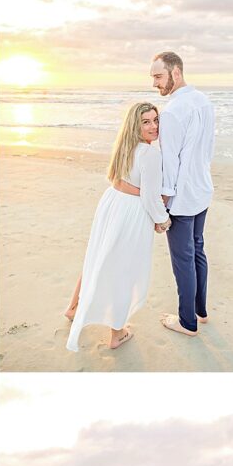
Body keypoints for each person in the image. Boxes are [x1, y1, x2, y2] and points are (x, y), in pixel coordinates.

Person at [65, 102, 170, 352]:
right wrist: (163, 220)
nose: (153, 126)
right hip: (131, 212)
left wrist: (136, 191)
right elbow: (149, 197)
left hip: (111, 204)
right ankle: (117, 333)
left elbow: (116, 180)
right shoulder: (151, 153)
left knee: (98, 257)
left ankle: (73, 307)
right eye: (146, 121)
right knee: (124, 269)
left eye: (156, 120)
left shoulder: (124, 146)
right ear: (136, 124)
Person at [150, 51, 215, 338]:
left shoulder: (174, 111)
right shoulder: (202, 100)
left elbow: (170, 161)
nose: (154, 83)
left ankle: (187, 321)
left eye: (158, 76)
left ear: (175, 73)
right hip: (202, 189)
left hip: (183, 197)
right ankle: (200, 311)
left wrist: (163, 201)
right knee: (197, 249)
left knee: (183, 259)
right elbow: (208, 148)